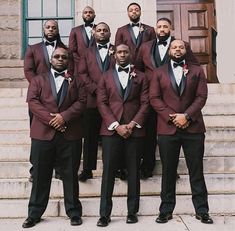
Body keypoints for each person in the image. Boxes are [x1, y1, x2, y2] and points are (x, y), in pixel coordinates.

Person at [149, 39, 213, 224]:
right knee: (168, 171)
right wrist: (173, 116)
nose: (177, 49)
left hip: (193, 129)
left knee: (196, 171)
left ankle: (202, 210)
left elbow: (201, 96)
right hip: (167, 129)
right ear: (169, 50)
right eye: (174, 47)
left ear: (186, 50)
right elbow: (154, 98)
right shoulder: (158, 73)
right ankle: (165, 210)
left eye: (181, 47)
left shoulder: (197, 70)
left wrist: (187, 116)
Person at [22, 47, 86, 228]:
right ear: (51, 59)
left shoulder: (77, 80)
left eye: (63, 57)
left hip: (70, 133)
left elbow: (82, 102)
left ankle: (74, 212)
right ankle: (34, 213)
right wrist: (52, 120)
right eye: (56, 56)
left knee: (70, 175)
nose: (60, 59)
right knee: (41, 175)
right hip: (43, 135)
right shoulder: (38, 80)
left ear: (68, 60)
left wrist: (63, 117)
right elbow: (33, 102)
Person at [135, 17, 198, 179]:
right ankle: (147, 165)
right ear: (155, 29)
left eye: (165, 26)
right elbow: (138, 70)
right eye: (159, 26)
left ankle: (171, 170)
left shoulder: (181, 46)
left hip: (173, 98)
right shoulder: (145, 47)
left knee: (172, 133)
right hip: (151, 95)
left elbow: (193, 66)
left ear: (170, 28)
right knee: (149, 132)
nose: (162, 29)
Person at [96, 44, 149, 227]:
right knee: (108, 172)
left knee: (133, 171)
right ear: (114, 55)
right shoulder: (105, 76)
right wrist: (116, 125)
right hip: (111, 130)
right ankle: (104, 214)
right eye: (119, 52)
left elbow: (145, 103)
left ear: (130, 54)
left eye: (126, 52)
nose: (123, 54)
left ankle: (132, 212)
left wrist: (132, 124)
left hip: (134, 131)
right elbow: (102, 103)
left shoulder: (141, 77)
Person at [24, 19, 68, 182]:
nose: (50, 29)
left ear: (58, 30)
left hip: (61, 99)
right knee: (38, 136)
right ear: (44, 29)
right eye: (48, 27)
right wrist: (41, 89)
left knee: (59, 135)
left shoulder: (65, 50)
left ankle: (59, 168)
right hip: (39, 98)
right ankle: (36, 169)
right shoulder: (33, 49)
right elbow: (28, 71)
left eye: (54, 27)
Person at [77, 22, 115, 182]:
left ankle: (116, 167)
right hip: (91, 100)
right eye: (99, 30)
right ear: (94, 33)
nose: (102, 33)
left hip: (113, 101)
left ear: (109, 33)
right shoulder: (86, 52)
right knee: (90, 136)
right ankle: (87, 169)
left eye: (105, 30)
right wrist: (95, 89)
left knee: (113, 136)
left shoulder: (117, 50)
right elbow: (82, 73)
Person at [69, 6, 96, 75]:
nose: (88, 14)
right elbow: (72, 50)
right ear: (82, 15)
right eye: (85, 12)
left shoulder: (100, 29)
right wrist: (81, 62)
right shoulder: (75, 30)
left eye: (90, 12)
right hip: (79, 68)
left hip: (97, 66)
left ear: (94, 15)